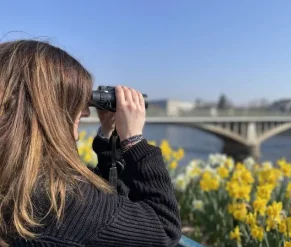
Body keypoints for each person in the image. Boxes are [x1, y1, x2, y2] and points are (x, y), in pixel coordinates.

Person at [0, 40, 182, 247]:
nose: (86, 112)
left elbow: (101, 198)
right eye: (77, 100)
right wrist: (134, 141)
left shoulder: (20, 181)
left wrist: (107, 135)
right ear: (50, 109)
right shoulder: (59, 203)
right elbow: (164, 228)